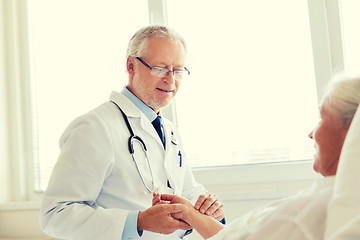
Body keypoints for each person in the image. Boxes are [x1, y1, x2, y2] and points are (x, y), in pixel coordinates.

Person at [40, 25, 225, 240]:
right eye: (160, 68)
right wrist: (139, 221)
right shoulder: (95, 127)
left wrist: (207, 206)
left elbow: (185, 190)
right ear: (131, 66)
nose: (171, 80)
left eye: (178, 70)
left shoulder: (169, 130)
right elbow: (55, 215)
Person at [152, 73, 360, 240]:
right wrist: (189, 213)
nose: (312, 133)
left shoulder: (307, 213)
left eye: (322, 118)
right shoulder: (337, 199)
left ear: (351, 131)